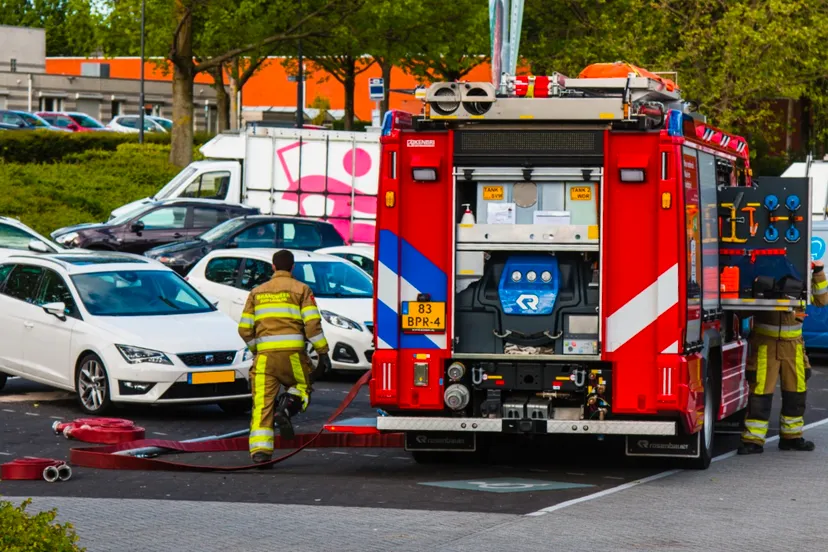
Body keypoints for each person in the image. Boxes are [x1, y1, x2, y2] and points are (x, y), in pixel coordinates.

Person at [237, 250, 332, 465]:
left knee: (262, 403)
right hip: (293, 357)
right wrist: (323, 352)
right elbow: (312, 325)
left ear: (272, 267)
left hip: (264, 360)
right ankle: (286, 409)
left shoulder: (256, 292)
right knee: (302, 385)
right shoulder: (301, 289)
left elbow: (244, 329)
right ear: (292, 267)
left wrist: (256, 349)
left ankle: (261, 453)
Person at [739, 260, 828, 454]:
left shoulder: (800, 273)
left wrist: (818, 272)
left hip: (793, 347)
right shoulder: (761, 274)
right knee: (760, 395)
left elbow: (821, 300)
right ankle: (753, 440)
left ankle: (791, 438)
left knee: (795, 394)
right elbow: (741, 310)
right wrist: (758, 291)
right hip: (765, 346)